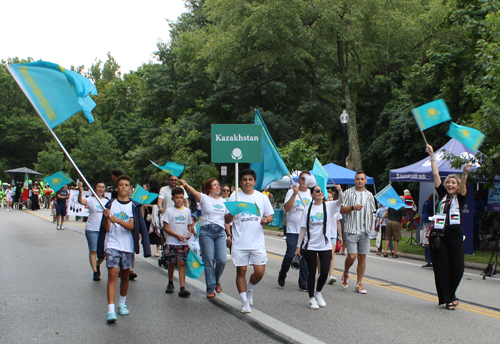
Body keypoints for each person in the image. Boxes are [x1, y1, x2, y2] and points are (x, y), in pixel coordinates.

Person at [97, 175, 151, 323]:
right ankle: (110, 310)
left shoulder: (134, 206)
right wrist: (107, 218)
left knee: (125, 276)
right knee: (113, 275)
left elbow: (133, 226)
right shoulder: (110, 204)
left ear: (130, 189)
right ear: (117, 188)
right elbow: (106, 228)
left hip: (128, 246)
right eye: (121, 185)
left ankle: (122, 304)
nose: (123, 187)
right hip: (112, 245)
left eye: (126, 185)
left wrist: (118, 220)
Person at [426, 144, 470, 310]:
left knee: (457, 267)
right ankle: (448, 298)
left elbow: (464, 185)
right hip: (439, 233)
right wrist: (432, 156)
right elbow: (436, 174)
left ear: (457, 186)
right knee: (442, 266)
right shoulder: (443, 195)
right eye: (448, 183)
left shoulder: (460, 198)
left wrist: (464, 173)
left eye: (453, 183)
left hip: (455, 234)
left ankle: (451, 293)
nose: (450, 185)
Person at [224, 169, 274, 313]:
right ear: (240, 182)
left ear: (254, 181)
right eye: (245, 179)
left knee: (260, 272)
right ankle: (244, 301)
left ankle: (249, 288)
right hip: (240, 241)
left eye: (250, 179)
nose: (247, 182)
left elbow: (269, 215)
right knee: (241, 270)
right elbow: (226, 219)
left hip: (257, 242)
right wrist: (233, 213)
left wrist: (266, 220)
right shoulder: (235, 197)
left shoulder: (261, 198)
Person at [180, 177, 231, 298]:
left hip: (220, 232)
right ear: (209, 188)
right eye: (215, 185)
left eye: (218, 185)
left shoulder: (224, 202)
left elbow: (227, 220)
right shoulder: (204, 198)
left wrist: (229, 232)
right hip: (206, 231)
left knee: (222, 260)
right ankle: (210, 289)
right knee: (209, 261)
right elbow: (193, 192)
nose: (218, 187)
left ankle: (217, 280)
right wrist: (186, 184)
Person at [295, 184, 343, 309]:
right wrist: (298, 246)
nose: (320, 193)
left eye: (322, 191)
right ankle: (311, 298)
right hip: (310, 245)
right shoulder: (307, 209)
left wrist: (340, 191)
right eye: (317, 191)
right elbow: (303, 229)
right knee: (312, 272)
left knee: (325, 272)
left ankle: (318, 292)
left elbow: (341, 201)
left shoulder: (329, 206)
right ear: (312, 194)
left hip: (325, 244)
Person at [340, 171, 376, 294]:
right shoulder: (347, 193)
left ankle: (359, 283)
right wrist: (352, 208)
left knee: (362, 257)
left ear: (366, 181)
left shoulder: (369, 195)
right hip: (351, 229)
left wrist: (370, 227)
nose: (360, 181)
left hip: (364, 230)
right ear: (354, 180)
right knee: (352, 255)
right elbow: (341, 210)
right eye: (357, 179)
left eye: (362, 179)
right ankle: (345, 272)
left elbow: (371, 213)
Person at [277, 171, 312, 290]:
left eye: (307, 179)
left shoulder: (311, 194)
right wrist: (294, 195)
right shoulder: (291, 191)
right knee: (291, 254)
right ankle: (282, 274)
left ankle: (303, 282)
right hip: (293, 230)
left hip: (306, 231)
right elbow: (287, 208)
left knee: (305, 256)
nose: (304, 181)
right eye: (302, 178)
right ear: (299, 179)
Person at [162, 186, 194, 297]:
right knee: (171, 262)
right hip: (172, 241)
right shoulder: (169, 211)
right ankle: (170, 282)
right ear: (172, 198)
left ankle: (182, 287)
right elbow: (165, 227)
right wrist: (176, 235)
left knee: (181, 263)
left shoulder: (187, 211)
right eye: (177, 198)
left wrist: (189, 233)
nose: (179, 200)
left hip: (183, 242)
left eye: (181, 197)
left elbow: (189, 225)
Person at [78, 181, 108, 281]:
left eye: (102, 187)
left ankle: (97, 264)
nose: (100, 189)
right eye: (98, 187)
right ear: (95, 188)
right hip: (92, 229)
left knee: (103, 253)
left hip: (103, 230)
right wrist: (80, 192)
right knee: (93, 251)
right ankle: (95, 272)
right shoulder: (90, 199)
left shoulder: (107, 201)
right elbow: (81, 201)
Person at [326, 189, 343, 284]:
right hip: (323, 235)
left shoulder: (336, 209)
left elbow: (338, 223)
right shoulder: (322, 207)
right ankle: (320, 273)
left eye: (331, 197)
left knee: (331, 255)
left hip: (333, 235)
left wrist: (340, 236)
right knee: (321, 256)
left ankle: (331, 275)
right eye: (327, 197)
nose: (329, 199)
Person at [143, 179, 162, 257]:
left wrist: (149, 206)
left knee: (156, 232)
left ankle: (158, 250)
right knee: (151, 232)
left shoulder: (159, 195)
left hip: (155, 215)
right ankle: (151, 250)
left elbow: (158, 205)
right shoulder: (149, 194)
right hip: (150, 215)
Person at [421, 194, 435, 268]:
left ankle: (424, 242)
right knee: (428, 231)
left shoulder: (426, 202)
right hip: (429, 218)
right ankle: (426, 241)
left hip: (424, 217)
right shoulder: (431, 204)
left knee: (425, 230)